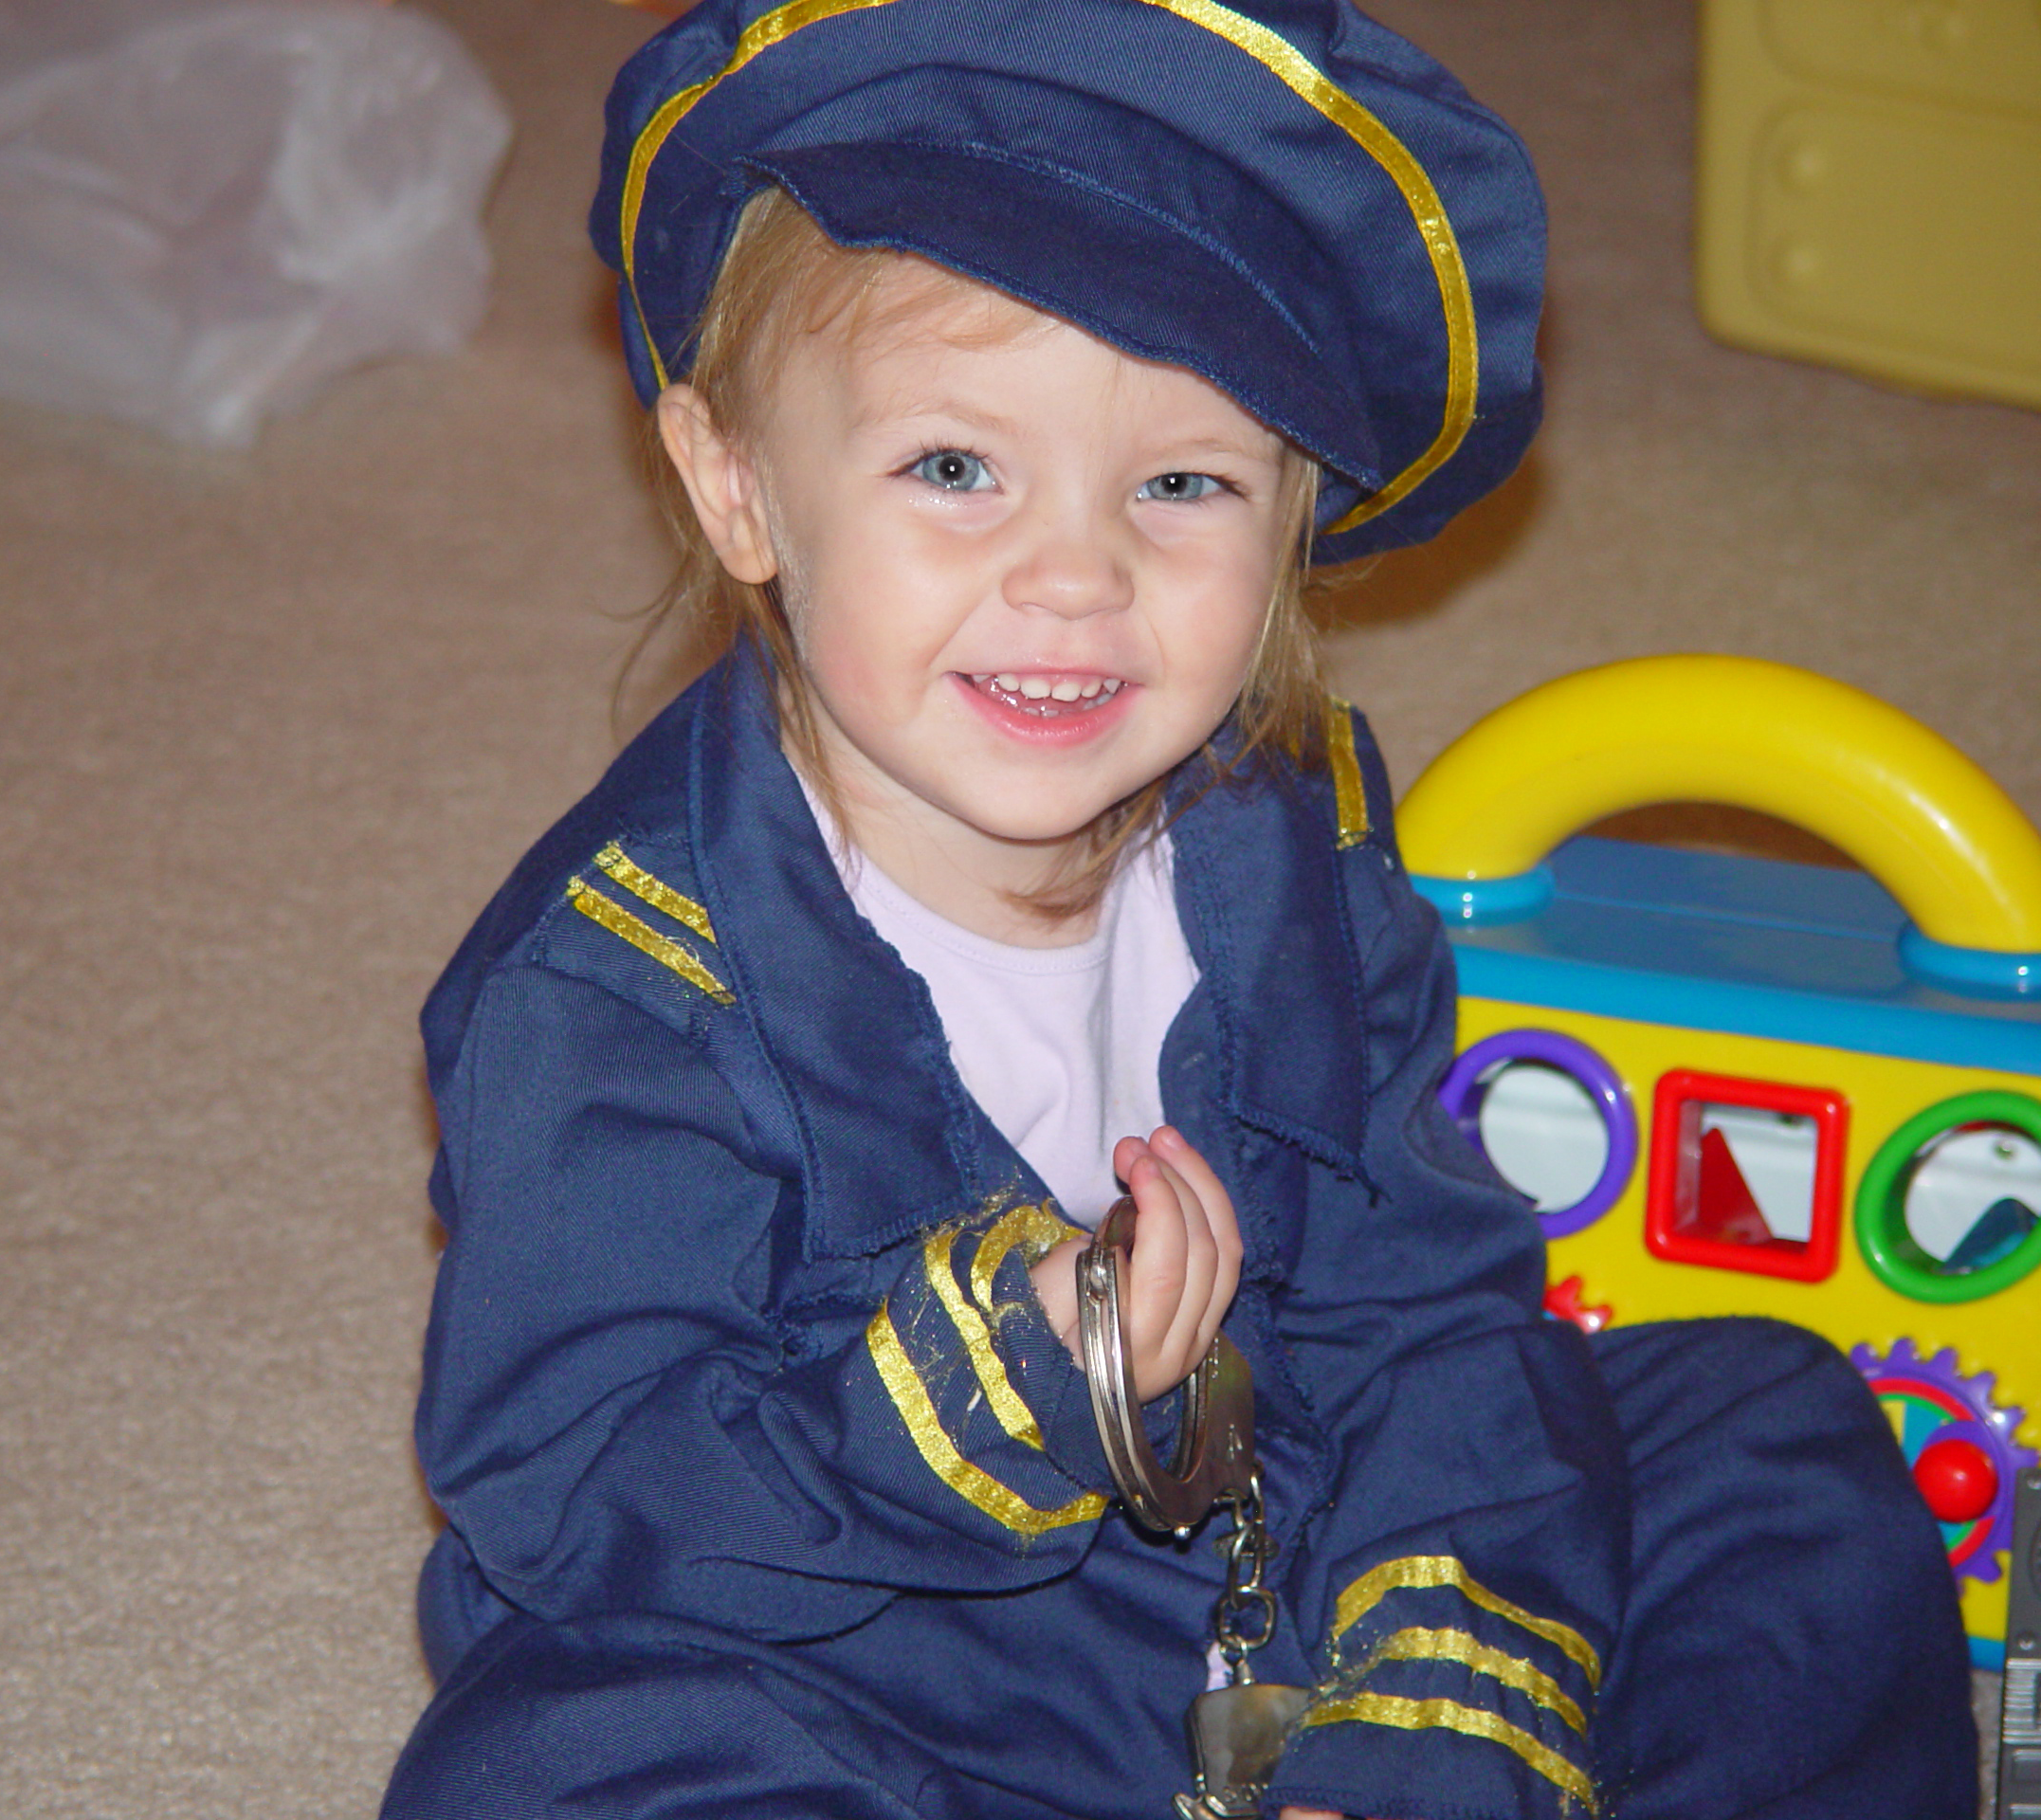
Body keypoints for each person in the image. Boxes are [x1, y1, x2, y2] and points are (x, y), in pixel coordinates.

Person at [377, 2, 1979, 1814]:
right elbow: (578, 1490)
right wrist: (1004, 1379)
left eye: (1184, 483)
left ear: (1295, 521)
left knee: (1760, 1426)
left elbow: (1422, 1307)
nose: (1076, 572)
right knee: (553, 1760)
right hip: (857, 1653)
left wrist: (1419, 1714)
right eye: (956, 468)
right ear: (735, 482)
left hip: (1276, 1562)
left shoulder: (1292, 853)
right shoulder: (616, 987)